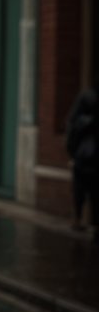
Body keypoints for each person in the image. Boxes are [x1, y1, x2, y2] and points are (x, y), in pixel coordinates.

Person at [66, 85, 99, 242]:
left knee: (81, 190)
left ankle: (79, 219)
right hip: (87, 156)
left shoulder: (84, 101)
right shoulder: (87, 99)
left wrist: (71, 152)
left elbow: (72, 130)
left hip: (83, 156)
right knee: (91, 191)